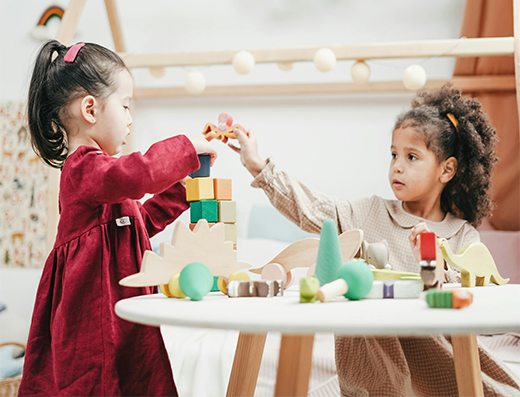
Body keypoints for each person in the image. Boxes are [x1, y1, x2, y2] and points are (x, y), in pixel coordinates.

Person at [230, 86, 520, 397]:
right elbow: (311, 207)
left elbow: (471, 302)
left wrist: (431, 260)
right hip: (377, 367)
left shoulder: (462, 235)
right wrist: (258, 166)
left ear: (446, 169)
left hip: (438, 362)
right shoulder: (368, 212)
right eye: (394, 154)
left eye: (411, 157)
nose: (397, 165)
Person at [19, 40, 217, 397]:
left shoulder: (105, 182)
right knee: (96, 383)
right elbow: (135, 176)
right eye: (125, 106)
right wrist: (185, 147)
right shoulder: (83, 168)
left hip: (123, 315)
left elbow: (137, 220)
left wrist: (184, 191)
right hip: (92, 320)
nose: (129, 119)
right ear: (91, 109)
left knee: (138, 378)